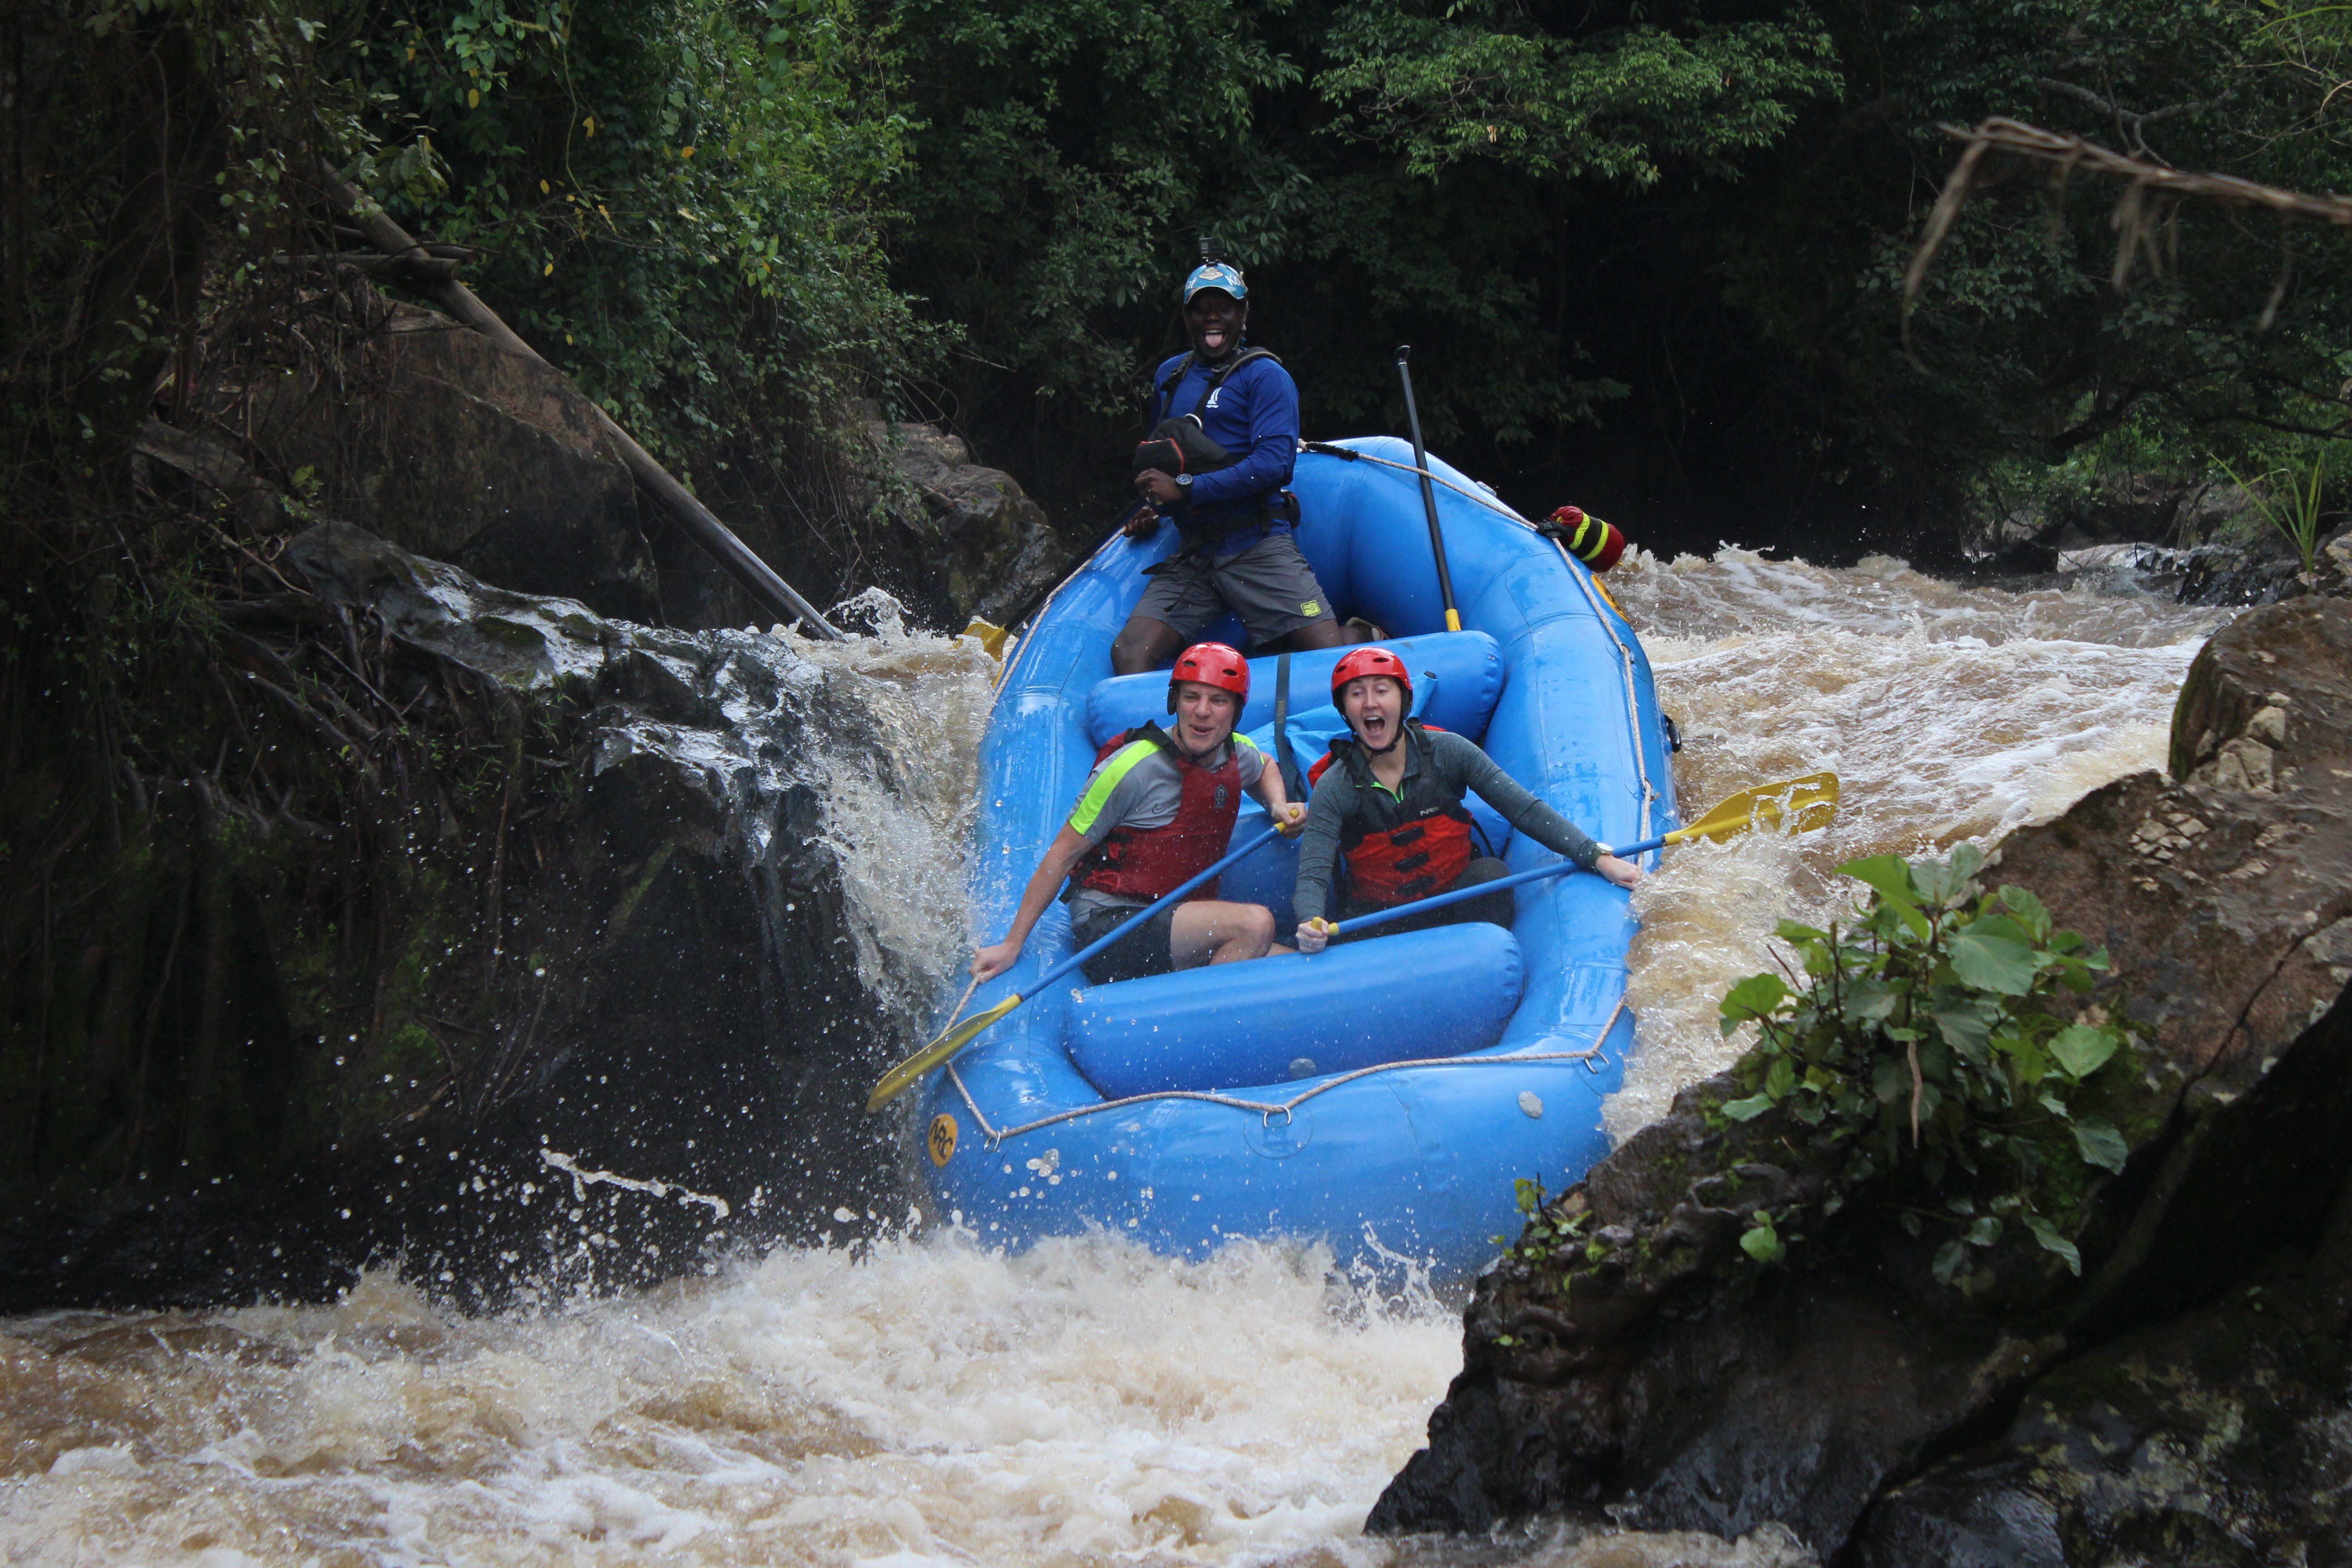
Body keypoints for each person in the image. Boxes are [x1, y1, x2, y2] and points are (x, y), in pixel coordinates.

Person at [973, 642, 1305, 986]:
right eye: (1191, 697)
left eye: (1218, 701)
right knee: (1255, 925)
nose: (1202, 712)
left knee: (1298, 971)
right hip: (1110, 925)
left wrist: (1278, 806)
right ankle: (1202, 1019)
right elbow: (1062, 853)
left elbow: (1264, 764)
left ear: (1235, 711)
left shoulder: (1235, 753)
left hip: (1175, 920)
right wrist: (1012, 945)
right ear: (1174, 701)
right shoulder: (1130, 768)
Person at [1112, 250, 1377, 676]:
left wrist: (1186, 489)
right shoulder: (1169, 376)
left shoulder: (1265, 375)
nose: (1212, 319)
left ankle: (1363, 633)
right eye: (1201, 310)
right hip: (1196, 550)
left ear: (1243, 313)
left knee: (1333, 665)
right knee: (1129, 655)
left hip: (1255, 542)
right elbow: (1163, 453)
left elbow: (1274, 466)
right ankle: (1163, 739)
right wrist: (1157, 507)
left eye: (1224, 309)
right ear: (1187, 316)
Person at [1291, 647, 1640, 952]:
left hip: (1456, 902)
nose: (1370, 703)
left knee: (1490, 874)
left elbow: (1524, 809)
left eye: (1382, 691)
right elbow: (1313, 875)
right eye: (1356, 694)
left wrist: (1595, 856)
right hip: (1382, 919)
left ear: (1404, 701)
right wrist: (1311, 920)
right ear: (1345, 711)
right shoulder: (1335, 786)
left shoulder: (1450, 752)